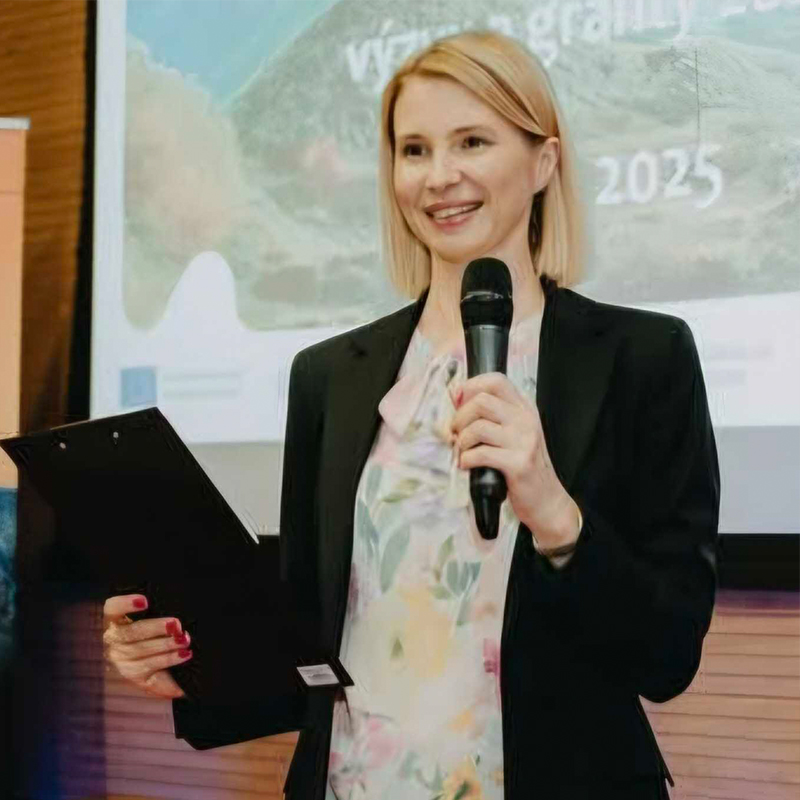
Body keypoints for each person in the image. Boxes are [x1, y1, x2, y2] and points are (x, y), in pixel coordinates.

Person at [103, 30, 720, 800]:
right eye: (414, 150)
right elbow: (314, 648)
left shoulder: (644, 358)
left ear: (544, 163)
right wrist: (190, 664)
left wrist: (556, 515)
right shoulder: (330, 377)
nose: (439, 176)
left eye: (472, 142)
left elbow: (668, 654)